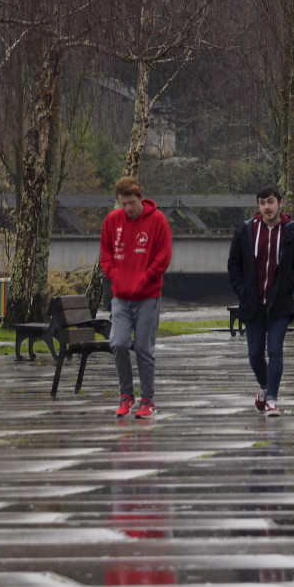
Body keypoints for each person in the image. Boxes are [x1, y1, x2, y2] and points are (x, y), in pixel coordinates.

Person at [228, 185, 294, 417]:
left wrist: (286, 286)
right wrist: (242, 291)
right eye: (262, 203)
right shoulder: (246, 230)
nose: (267, 207)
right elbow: (234, 265)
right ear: (258, 206)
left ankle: (273, 399)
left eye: (271, 202)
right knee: (255, 354)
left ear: (280, 203)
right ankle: (264, 386)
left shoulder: (292, 231)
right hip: (252, 304)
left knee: (275, 350)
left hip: (279, 304)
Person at [100, 176, 173, 419]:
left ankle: (147, 399)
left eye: (131, 203)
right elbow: (106, 254)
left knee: (143, 349)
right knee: (118, 343)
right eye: (123, 204)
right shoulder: (112, 221)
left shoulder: (158, 221)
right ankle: (125, 395)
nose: (128, 208)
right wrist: (115, 276)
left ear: (141, 198)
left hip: (148, 297)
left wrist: (145, 278)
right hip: (120, 296)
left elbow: (163, 258)